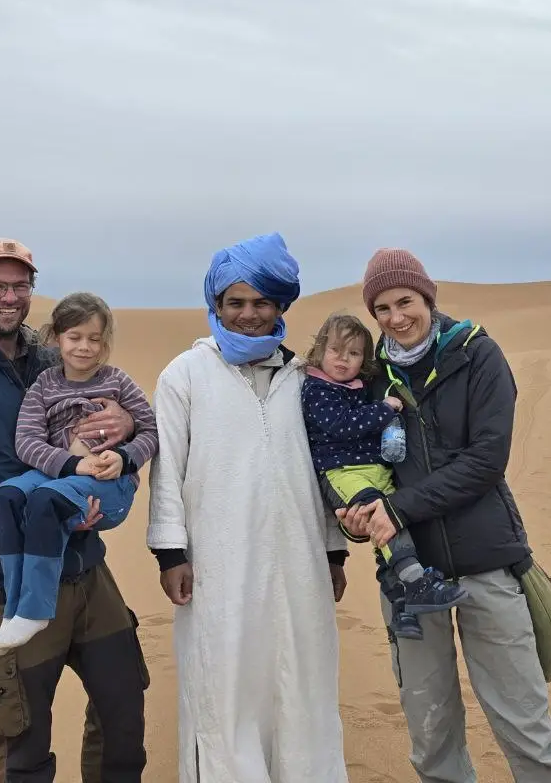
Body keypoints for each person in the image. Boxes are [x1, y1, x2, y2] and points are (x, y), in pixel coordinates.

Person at [337, 248, 551, 783]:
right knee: (432, 737)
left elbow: (486, 460)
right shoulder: (370, 377)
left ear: (427, 297)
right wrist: (357, 514)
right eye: (381, 308)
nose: (396, 318)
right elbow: (351, 457)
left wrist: (397, 510)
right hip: (406, 577)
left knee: (526, 730)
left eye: (405, 301)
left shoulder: (478, 356)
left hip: (489, 564)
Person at [0, 238, 150, 783]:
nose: (10, 297)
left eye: (20, 285)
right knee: (25, 742)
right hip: (6, 577)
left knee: (123, 713)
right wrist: (26, 512)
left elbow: (112, 413)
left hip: (86, 565)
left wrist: (125, 428)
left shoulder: (50, 359)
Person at [146, 232, 350, 783]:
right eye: (235, 303)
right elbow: (167, 470)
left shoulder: (307, 379)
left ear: (282, 305)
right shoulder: (184, 375)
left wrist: (334, 553)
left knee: (302, 682)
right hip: (218, 564)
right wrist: (170, 552)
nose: (249, 315)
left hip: (300, 563)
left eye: (262, 302)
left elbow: (325, 469)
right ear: (215, 306)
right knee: (226, 685)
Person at [0, 291, 160, 654]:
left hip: (107, 484)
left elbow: (152, 431)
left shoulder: (118, 382)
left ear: (105, 342)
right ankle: (15, 607)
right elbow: (26, 442)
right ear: (56, 338)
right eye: (75, 337)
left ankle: (36, 610)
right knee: (6, 495)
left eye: (94, 338)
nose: (85, 347)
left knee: (43, 500)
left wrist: (125, 457)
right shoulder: (44, 386)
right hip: (61, 473)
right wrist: (72, 463)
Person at [302, 311, 468, 641]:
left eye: (353, 354)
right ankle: (417, 581)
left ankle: (403, 605)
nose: (343, 360)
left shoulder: (356, 387)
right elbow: (341, 426)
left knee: (390, 532)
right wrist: (385, 409)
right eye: (336, 350)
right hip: (343, 473)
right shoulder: (316, 389)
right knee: (384, 518)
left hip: (375, 471)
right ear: (320, 350)